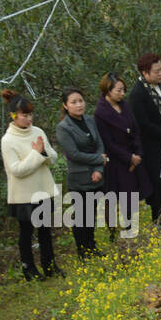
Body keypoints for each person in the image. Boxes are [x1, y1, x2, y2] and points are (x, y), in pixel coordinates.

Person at [0, 89, 63, 280]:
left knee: (45, 231)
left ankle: (50, 266)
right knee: (26, 234)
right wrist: (36, 154)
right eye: (24, 115)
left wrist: (43, 153)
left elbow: (53, 157)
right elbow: (16, 169)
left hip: (42, 190)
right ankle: (29, 270)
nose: (29, 119)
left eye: (30, 114)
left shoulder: (38, 132)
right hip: (23, 195)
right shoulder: (8, 140)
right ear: (13, 116)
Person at [93, 71, 153, 242]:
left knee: (131, 195)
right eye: (118, 90)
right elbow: (107, 142)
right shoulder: (100, 113)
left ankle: (130, 229)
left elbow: (135, 130)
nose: (122, 94)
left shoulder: (124, 106)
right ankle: (113, 232)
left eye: (123, 90)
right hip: (115, 160)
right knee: (113, 198)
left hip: (132, 155)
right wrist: (128, 158)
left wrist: (137, 154)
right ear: (108, 90)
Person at [127, 52, 161, 223]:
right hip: (154, 147)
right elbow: (144, 124)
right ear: (145, 73)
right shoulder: (138, 94)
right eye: (156, 71)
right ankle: (157, 220)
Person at [53, 87, 108, 259]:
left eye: (81, 101)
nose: (79, 105)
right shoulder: (63, 127)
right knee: (81, 217)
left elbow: (100, 145)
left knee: (91, 215)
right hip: (79, 177)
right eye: (73, 102)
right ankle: (82, 251)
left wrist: (99, 169)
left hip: (96, 175)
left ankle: (92, 247)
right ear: (65, 106)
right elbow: (74, 154)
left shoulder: (89, 120)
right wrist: (99, 160)